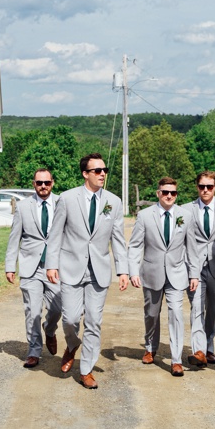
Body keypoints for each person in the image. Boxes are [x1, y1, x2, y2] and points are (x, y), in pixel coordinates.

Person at [46, 153, 128, 389]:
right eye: (97, 170)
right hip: (71, 268)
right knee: (70, 318)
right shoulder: (67, 198)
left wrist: (122, 270)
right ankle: (72, 345)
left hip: (99, 271)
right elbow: (55, 234)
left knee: (94, 321)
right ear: (85, 174)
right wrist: (51, 264)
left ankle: (86, 370)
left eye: (105, 170)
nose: (102, 174)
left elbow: (118, 239)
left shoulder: (114, 201)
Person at [128, 177, 197, 377]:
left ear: (176, 194)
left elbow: (192, 247)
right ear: (158, 193)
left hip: (176, 273)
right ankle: (150, 346)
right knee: (151, 314)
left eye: (173, 193)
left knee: (176, 313)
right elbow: (135, 245)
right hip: (151, 272)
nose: (169, 196)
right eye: (165, 192)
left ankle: (176, 359)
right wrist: (133, 271)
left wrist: (194, 273)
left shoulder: (186, 216)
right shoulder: (144, 216)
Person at [4, 168, 65, 368]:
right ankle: (34, 351)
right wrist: (9, 266)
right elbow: (14, 238)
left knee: (58, 307)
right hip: (31, 266)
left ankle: (49, 329)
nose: (43, 186)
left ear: (52, 183)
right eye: (39, 183)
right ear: (34, 184)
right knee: (32, 310)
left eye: (46, 183)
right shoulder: (23, 207)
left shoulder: (62, 203)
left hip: (56, 267)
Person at [183, 170, 215, 367]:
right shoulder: (185, 210)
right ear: (197, 187)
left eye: (209, 187)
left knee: (213, 308)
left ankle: (209, 345)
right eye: (202, 186)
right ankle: (198, 350)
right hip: (193, 266)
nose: (205, 190)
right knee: (197, 307)